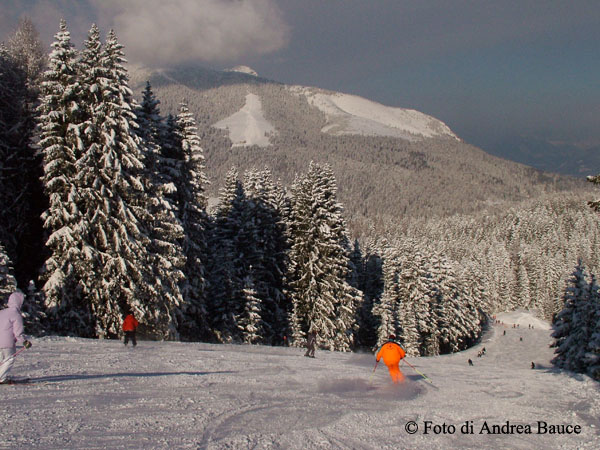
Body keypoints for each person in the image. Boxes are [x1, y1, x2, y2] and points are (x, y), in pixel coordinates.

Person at [0, 292, 32, 384]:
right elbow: (18, 332)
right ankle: (2, 378)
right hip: (7, 342)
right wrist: (24, 341)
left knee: (2, 359)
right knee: (9, 359)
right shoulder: (15, 314)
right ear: (19, 302)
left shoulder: (2, 312)